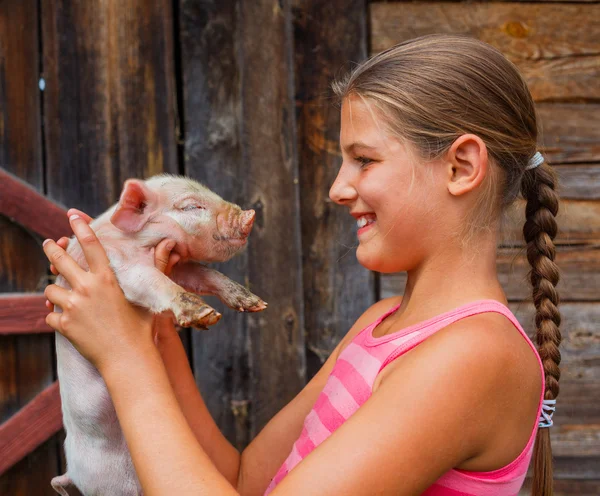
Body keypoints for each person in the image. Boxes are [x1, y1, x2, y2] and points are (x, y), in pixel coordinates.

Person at [43, 33, 561, 495]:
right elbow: (244, 481)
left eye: (364, 160)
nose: (338, 187)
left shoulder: (473, 357)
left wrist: (124, 359)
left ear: (460, 166)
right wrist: (151, 322)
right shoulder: (378, 325)